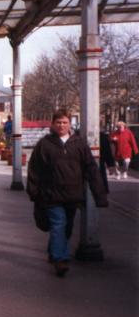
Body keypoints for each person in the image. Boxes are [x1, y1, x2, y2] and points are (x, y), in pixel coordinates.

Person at [27, 109, 108, 277]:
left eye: (64, 122)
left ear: (70, 124)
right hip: (51, 195)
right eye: (58, 122)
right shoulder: (44, 144)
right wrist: (33, 192)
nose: (61, 125)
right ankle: (61, 260)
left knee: (67, 228)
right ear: (52, 124)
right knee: (58, 224)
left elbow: (91, 169)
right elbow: (34, 169)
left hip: (73, 195)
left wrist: (99, 195)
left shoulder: (79, 144)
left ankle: (54, 250)